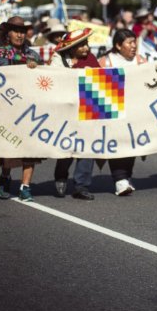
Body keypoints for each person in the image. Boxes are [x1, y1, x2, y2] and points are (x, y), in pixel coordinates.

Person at [0, 16, 42, 201]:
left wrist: (35, 68)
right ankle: (6, 176)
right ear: (8, 33)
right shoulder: (2, 52)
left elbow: (41, 78)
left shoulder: (33, 55)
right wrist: (25, 66)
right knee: (9, 146)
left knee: (30, 149)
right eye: (15, 31)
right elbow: (4, 71)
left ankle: (25, 187)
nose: (19, 35)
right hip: (9, 106)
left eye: (22, 31)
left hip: (30, 107)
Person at [50, 28, 99, 200]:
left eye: (86, 44)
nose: (86, 48)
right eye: (81, 45)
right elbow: (54, 79)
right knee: (67, 145)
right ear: (72, 48)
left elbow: (100, 81)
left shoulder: (91, 59)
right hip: (66, 109)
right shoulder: (58, 60)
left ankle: (81, 186)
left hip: (87, 108)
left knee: (86, 147)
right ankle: (61, 175)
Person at [98, 29, 147, 196]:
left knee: (131, 144)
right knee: (116, 144)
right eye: (129, 43)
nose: (134, 46)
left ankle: (127, 176)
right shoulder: (105, 62)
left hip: (135, 111)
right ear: (118, 46)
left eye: (135, 42)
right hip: (113, 111)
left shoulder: (141, 61)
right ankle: (119, 179)